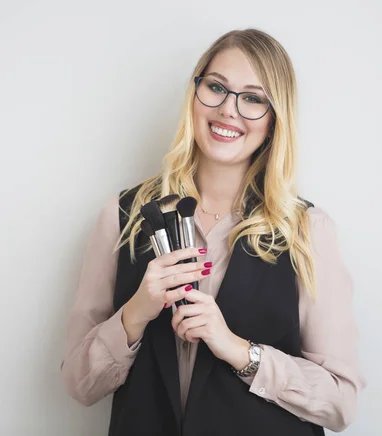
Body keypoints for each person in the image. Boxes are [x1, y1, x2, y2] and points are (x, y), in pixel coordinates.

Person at [61, 28, 365, 436]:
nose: (228, 110)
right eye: (217, 87)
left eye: (253, 98)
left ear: (275, 120)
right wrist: (136, 312)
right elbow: (79, 386)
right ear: (195, 93)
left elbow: (340, 404)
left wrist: (239, 350)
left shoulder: (308, 231)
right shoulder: (121, 217)